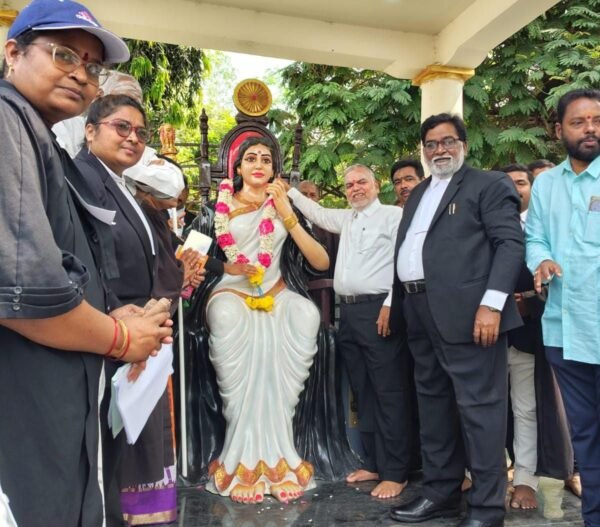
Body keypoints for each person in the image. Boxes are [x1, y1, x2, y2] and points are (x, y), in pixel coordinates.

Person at [0, 2, 172, 526]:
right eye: (64, 54)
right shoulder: (6, 121)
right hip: (26, 392)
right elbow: (24, 292)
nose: (80, 72)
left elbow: (62, 265)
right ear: (13, 53)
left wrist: (109, 316)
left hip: (62, 380)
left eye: (92, 66)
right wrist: (118, 337)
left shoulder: (38, 135)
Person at [389, 113, 524, 527]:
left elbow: (509, 244)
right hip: (418, 310)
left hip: (471, 315)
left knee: (480, 411)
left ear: (463, 144)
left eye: (448, 141)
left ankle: (486, 509)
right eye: (431, 144)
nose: (440, 150)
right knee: (433, 408)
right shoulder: (419, 192)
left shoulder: (488, 184)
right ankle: (441, 494)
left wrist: (492, 304)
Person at [72, 94, 197, 526]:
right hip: (113, 333)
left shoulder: (117, 183)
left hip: (142, 331)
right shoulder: (82, 181)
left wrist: (162, 302)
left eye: (140, 132)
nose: (133, 138)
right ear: (90, 130)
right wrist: (119, 317)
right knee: (115, 455)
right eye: (121, 127)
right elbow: (87, 258)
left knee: (138, 447)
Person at [192, 137, 330, 503]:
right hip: (232, 292)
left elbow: (320, 262)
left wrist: (286, 212)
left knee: (306, 313)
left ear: (274, 170)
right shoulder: (217, 209)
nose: (258, 164)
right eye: (250, 158)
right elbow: (189, 253)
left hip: (277, 291)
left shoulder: (283, 207)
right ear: (237, 168)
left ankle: (281, 458)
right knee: (227, 316)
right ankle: (239, 462)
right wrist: (227, 267)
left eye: (266, 160)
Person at [288, 165, 413, 500]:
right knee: (363, 391)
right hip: (350, 313)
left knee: (389, 391)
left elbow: (404, 263)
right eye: (349, 184)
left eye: (362, 182)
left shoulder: (392, 216)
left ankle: (396, 472)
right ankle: (375, 463)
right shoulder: (347, 219)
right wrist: (288, 192)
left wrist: (391, 304)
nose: (356, 188)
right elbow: (316, 212)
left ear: (377, 185)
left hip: (380, 310)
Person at [526, 88, 600, 527]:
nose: (590, 128)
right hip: (564, 330)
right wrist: (541, 260)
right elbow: (534, 236)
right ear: (559, 130)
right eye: (579, 122)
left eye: (597, 120)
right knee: (586, 435)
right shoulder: (547, 184)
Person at [501, 164, 574, 511]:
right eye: (506, 184)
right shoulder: (480, 226)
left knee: (526, 409)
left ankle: (525, 481)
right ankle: (486, 477)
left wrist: (529, 301)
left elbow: (558, 275)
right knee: (484, 410)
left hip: (528, 334)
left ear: (532, 188)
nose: (513, 190)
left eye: (520, 183)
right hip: (485, 336)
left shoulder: (542, 230)